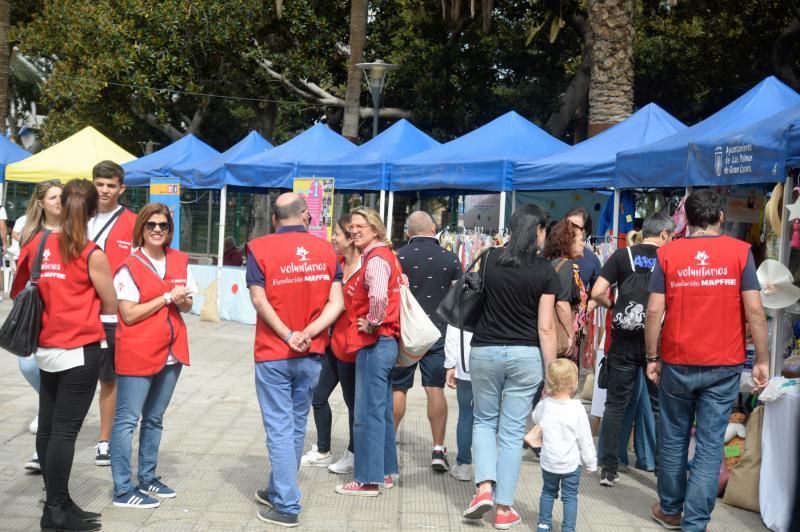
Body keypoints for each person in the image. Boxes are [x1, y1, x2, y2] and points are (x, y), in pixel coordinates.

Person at [645, 189, 769, 531]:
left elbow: (654, 309)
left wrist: (651, 356)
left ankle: (671, 509)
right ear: (719, 218)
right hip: (723, 364)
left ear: (688, 221)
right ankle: (695, 522)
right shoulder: (741, 253)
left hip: (677, 360)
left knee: (673, 437)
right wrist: (761, 359)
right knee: (710, 443)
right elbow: (755, 310)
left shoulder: (668, 254)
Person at [11, 179, 117, 532]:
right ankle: (55, 510)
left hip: (45, 348)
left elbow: (18, 289)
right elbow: (111, 301)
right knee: (64, 432)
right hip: (78, 350)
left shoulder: (37, 242)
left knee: (50, 425)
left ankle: (59, 500)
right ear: (91, 211)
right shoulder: (91, 252)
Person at [247, 192, 343, 527]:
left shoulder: (259, 249)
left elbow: (259, 300)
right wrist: (308, 332)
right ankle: (278, 488)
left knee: (278, 426)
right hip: (312, 352)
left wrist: (289, 334)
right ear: (305, 215)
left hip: (274, 351)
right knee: (296, 423)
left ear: (275, 218)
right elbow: (337, 303)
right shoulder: (327, 251)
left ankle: (287, 504)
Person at [462, 204, 558, 530]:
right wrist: (551, 372)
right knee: (513, 431)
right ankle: (504, 509)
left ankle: (483, 490)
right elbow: (546, 327)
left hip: (486, 351)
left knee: (484, 421)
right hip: (526, 356)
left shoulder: (489, 259)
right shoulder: (546, 271)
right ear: (538, 231)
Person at [109, 203, 195, 509]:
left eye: (163, 226)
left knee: (155, 419)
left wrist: (181, 299)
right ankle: (122, 488)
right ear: (141, 229)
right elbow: (129, 314)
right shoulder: (128, 266)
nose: (157, 230)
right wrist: (166, 297)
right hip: (138, 351)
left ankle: (147, 476)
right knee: (127, 420)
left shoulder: (179, 260)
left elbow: (186, 306)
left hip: (171, 352)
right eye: (151, 225)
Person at [590, 211, 675, 486]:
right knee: (660, 407)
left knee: (615, 405)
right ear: (664, 234)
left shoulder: (620, 256)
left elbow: (597, 292)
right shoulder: (669, 259)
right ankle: (664, 472)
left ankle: (608, 469)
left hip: (624, 339)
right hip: (658, 342)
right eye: (672, 236)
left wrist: (613, 307)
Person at [335, 207, 402, 497]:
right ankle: (386, 471)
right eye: (351, 227)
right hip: (387, 343)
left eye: (360, 225)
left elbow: (378, 295)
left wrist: (373, 322)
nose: (354, 230)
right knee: (382, 411)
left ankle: (367, 479)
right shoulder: (389, 257)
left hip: (374, 343)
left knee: (366, 413)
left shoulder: (374, 259)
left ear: (375, 228)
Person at [392, 211, 462, 471]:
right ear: (434, 228)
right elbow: (458, 300)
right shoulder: (451, 258)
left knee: (398, 389)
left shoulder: (397, 257)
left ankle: (389, 443)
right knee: (435, 389)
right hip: (438, 333)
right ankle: (437, 449)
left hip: (406, 334)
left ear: (408, 232)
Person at [301, 214, 359, 475]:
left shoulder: (364, 266)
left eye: (337, 233)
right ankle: (323, 450)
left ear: (350, 237)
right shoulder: (335, 263)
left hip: (352, 347)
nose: (332, 238)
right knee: (318, 396)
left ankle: (354, 453)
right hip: (330, 344)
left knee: (352, 403)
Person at [89, 160, 137, 468]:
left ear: (121, 188)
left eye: (111, 185)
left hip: (113, 315)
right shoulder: (79, 216)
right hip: (78, 311)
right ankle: (52, 436)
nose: (104, 190)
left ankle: (104, 440)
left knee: (109, 380)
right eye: (99, 184)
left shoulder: (133, 221)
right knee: (64, 378)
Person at [15, 181, 64, 472]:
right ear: (42, 202)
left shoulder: (75, 233)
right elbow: (21, 281)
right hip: (36, 317)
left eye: (63, 197)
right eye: (54, 197)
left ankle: (42, 452)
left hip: (64, 319)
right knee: (28, 367)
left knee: (52, 380)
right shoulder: (31, 235)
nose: (60, 201)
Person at [533, 359, 597, 532]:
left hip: (549, 461)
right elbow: (585, 438)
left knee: (547, 492)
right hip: (570, 463)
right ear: (573, 382)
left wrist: (543, 401)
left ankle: (544, 523)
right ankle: (568, 528)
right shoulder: (576, 408)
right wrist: (590, 462)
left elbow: (535, 418)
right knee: (570, 497)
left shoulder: (545, 405)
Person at [543, 220, 589, 361]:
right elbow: (561, 304)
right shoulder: (567, 266)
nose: (584, 244)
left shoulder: (551, 263)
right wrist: (571, 335)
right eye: (581, 240)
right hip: (561, 338)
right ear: (568, 241)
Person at [444, 324, 474, 482]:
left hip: (467, 359)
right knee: (493, 418)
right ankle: (492, 469)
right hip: (503, 357)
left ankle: (464, 464)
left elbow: (454, 327)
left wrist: (450, 363)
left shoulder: (463, 297)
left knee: (466, 415)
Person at [565, 208, 601, 293]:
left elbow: (597, 294)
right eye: (567, 225)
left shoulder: (592, 260)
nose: (569, 229)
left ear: (586, 232)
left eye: (575, 227)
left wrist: (589, 305)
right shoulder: (552, 251)